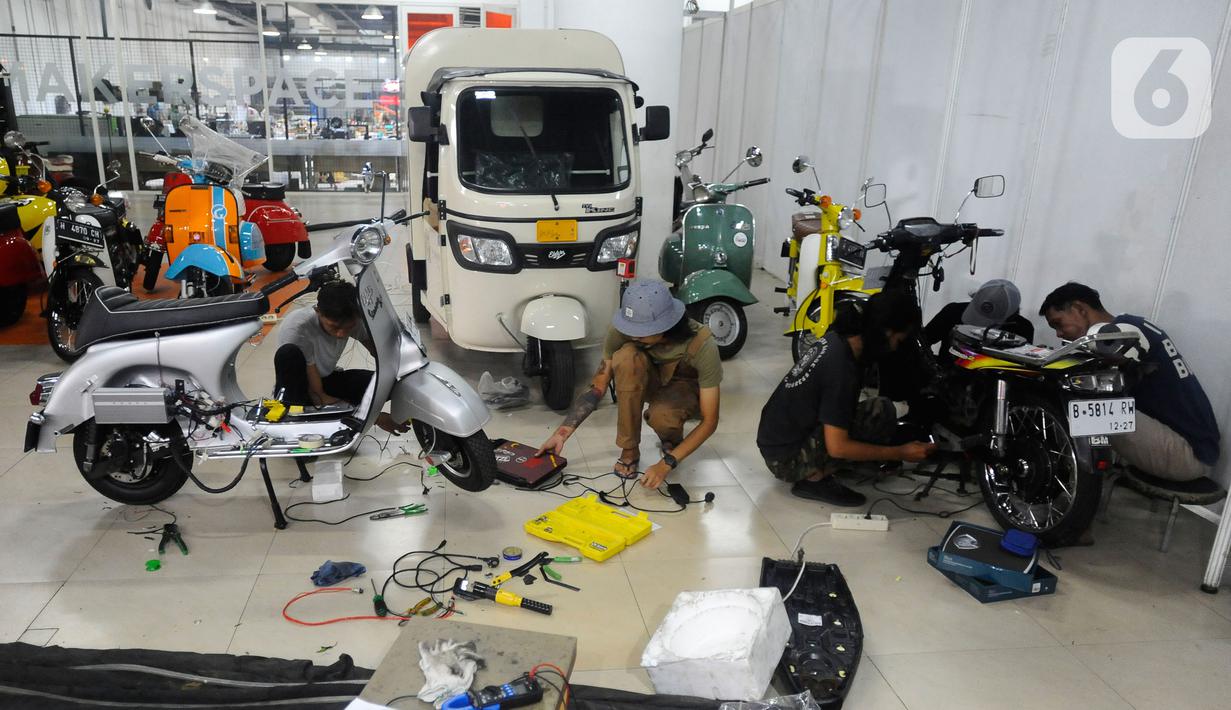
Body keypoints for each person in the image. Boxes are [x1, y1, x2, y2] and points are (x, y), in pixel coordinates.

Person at [757, 290, 937, 507]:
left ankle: (829, 466)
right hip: (786, 460)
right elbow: (838, 447)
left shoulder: (839, 338)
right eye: (898, 340)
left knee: (880, 409)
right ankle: (814, 478)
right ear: (886, 332)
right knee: (876, 417)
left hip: (777, 441)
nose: (895, 348)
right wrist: (900, 452)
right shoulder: (842, 369)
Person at [537, 280, 722, 489]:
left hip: (683, 387)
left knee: (663, 418)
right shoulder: (623, 330)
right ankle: (630, 449)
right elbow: (598, 385)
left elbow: (710, 421)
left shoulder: (703, 344)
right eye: (631, 328)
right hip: (648, 379)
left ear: (667, 325)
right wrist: (561, 434)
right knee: (626, 357)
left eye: (641, 331)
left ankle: (671, 438)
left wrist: (667, 464)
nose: (633, 334)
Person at [1039, 282, 1220, 481]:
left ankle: (1065, 478)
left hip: (1188, 455)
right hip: (1192, 448)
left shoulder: (1122, 332)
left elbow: (1114, 355)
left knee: (1083, 406)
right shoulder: (1135, 324)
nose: (1059, 334)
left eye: (1058, 323)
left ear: (1080, 309)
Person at [273, 280, 408, 434]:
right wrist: (373, 417)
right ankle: (298, 421)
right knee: (288, 354)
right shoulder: (298, 328)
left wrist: (407, 370)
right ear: (318, 312)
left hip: (327, 379)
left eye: (348, 328)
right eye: (334, 327)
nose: (341, 334)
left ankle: (338, 411)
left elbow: (381, 353)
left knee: (390, 386)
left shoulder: (352, 319)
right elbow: (318, 397)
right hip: (301, 389)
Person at [924, 278, 1035, 354]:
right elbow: (923, 341)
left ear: (1010, 316)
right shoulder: (953, 312)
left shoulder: (1022, 328)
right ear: (976, 299)